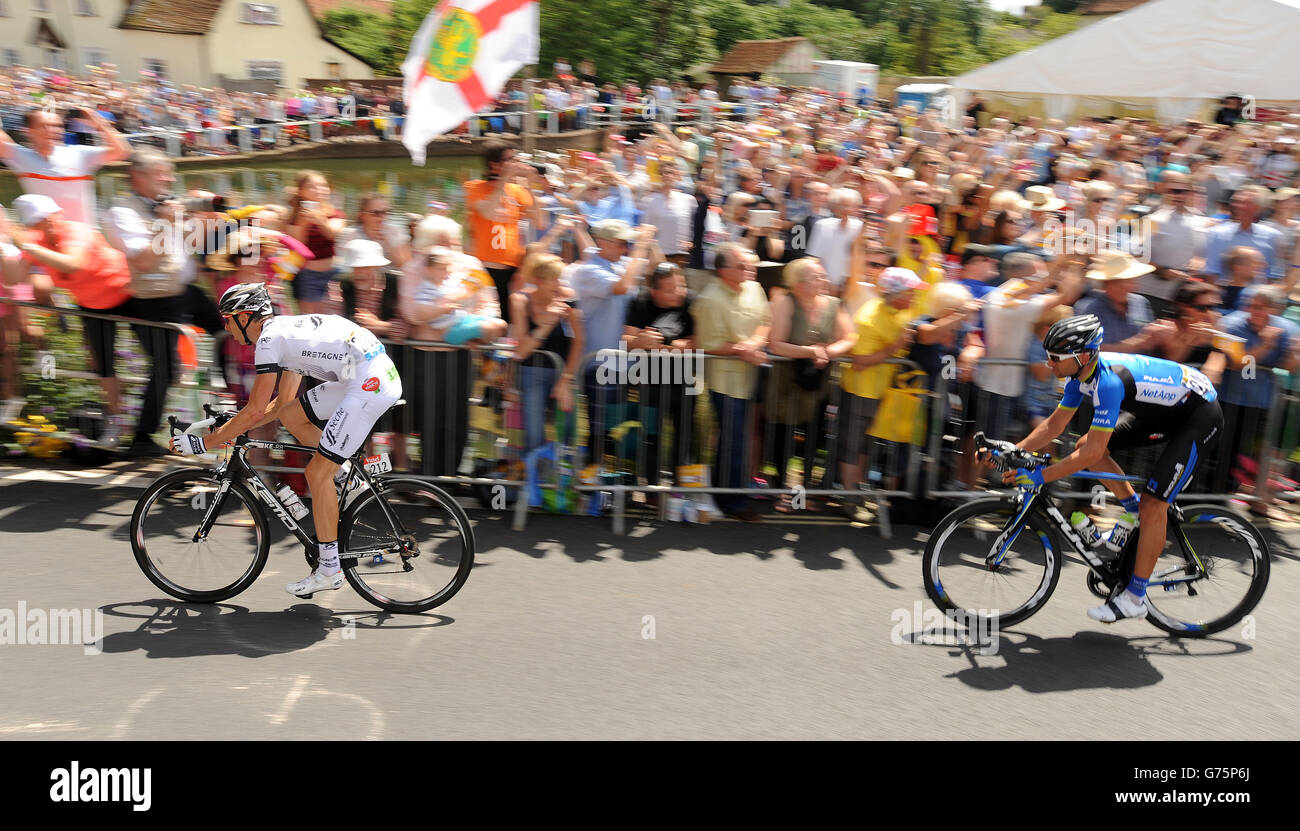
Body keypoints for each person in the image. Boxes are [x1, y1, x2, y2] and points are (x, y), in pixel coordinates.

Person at [171, 282, 402, 598]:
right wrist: (233, 423)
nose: (226, 327)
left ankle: (330, 569)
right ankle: (349, 478)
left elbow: (254, 411)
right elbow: (279, 406)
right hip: (364, 374)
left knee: (316, 475)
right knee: (293, 415)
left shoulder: (268, 340)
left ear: (246, 316)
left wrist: (205, 442)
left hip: (367, 382)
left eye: (228, 319)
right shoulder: (282, 333)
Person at [991, 314, 1223, 623]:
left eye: (1055, 358)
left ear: (1083, 356)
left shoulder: (1109, 382)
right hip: (1164, 411)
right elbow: (1055, 425)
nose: (1049, 364)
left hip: (1199, 416)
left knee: (1155, 504)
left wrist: (1040, 476)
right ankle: (1132, 509)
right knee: (1083, 445)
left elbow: (1094, 453)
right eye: (1047, 356)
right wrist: (1017, 451)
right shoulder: (1079, 375)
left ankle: (1135, 598)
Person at [0, 194, 132, 444]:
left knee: (29, 332)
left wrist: (27, 247)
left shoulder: (75, 231)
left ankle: (50, 346)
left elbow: (72, 264)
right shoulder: (36, 240)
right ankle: (117, 423)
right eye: (39, 222)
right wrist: (3, 245)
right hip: (91, 303)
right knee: (99, 362)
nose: (50, 223)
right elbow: (13, 277)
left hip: (126, 292)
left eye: (50, 217)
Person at [0, 106, 131, 224]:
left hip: (83, 236)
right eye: (44, 126)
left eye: (57, 126)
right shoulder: (21, 156)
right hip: (46, 237)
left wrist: (99, 124)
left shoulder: (80, 154)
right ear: (28, 131)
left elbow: (122, 151)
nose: (52, 130)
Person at [284, 170, 346, 314]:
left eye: (323, 185)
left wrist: (320, 221)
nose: (320, 190)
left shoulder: (335, 214)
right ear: (301, 191)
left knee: (336, 319)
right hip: (307, 276)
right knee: (312, 321)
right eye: (312, 186)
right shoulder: (292, 217)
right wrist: (303, 223)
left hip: (332, 275)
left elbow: (332, 235)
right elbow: (297, 246)